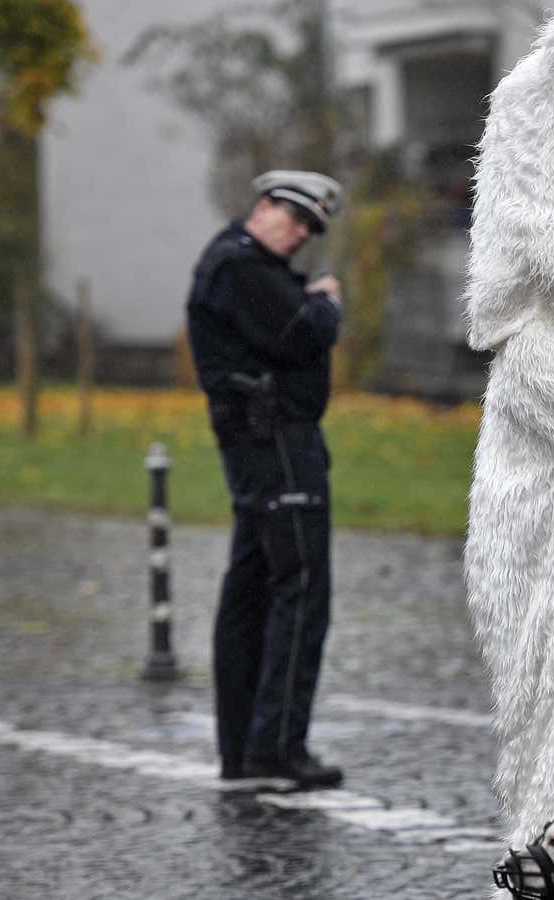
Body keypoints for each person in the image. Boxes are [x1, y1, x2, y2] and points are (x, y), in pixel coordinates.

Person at [186, 170, 346, 787]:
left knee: (253, 591)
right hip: (276, 442)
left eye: (310, 229)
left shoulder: (238, 264)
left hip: (266, 443)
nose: (300, 233)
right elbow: (300, 334)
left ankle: (247, 748)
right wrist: (324, 302)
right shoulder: (242, 267)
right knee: (299, 589)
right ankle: (275, 748)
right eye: (295, 217)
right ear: (264, 205)